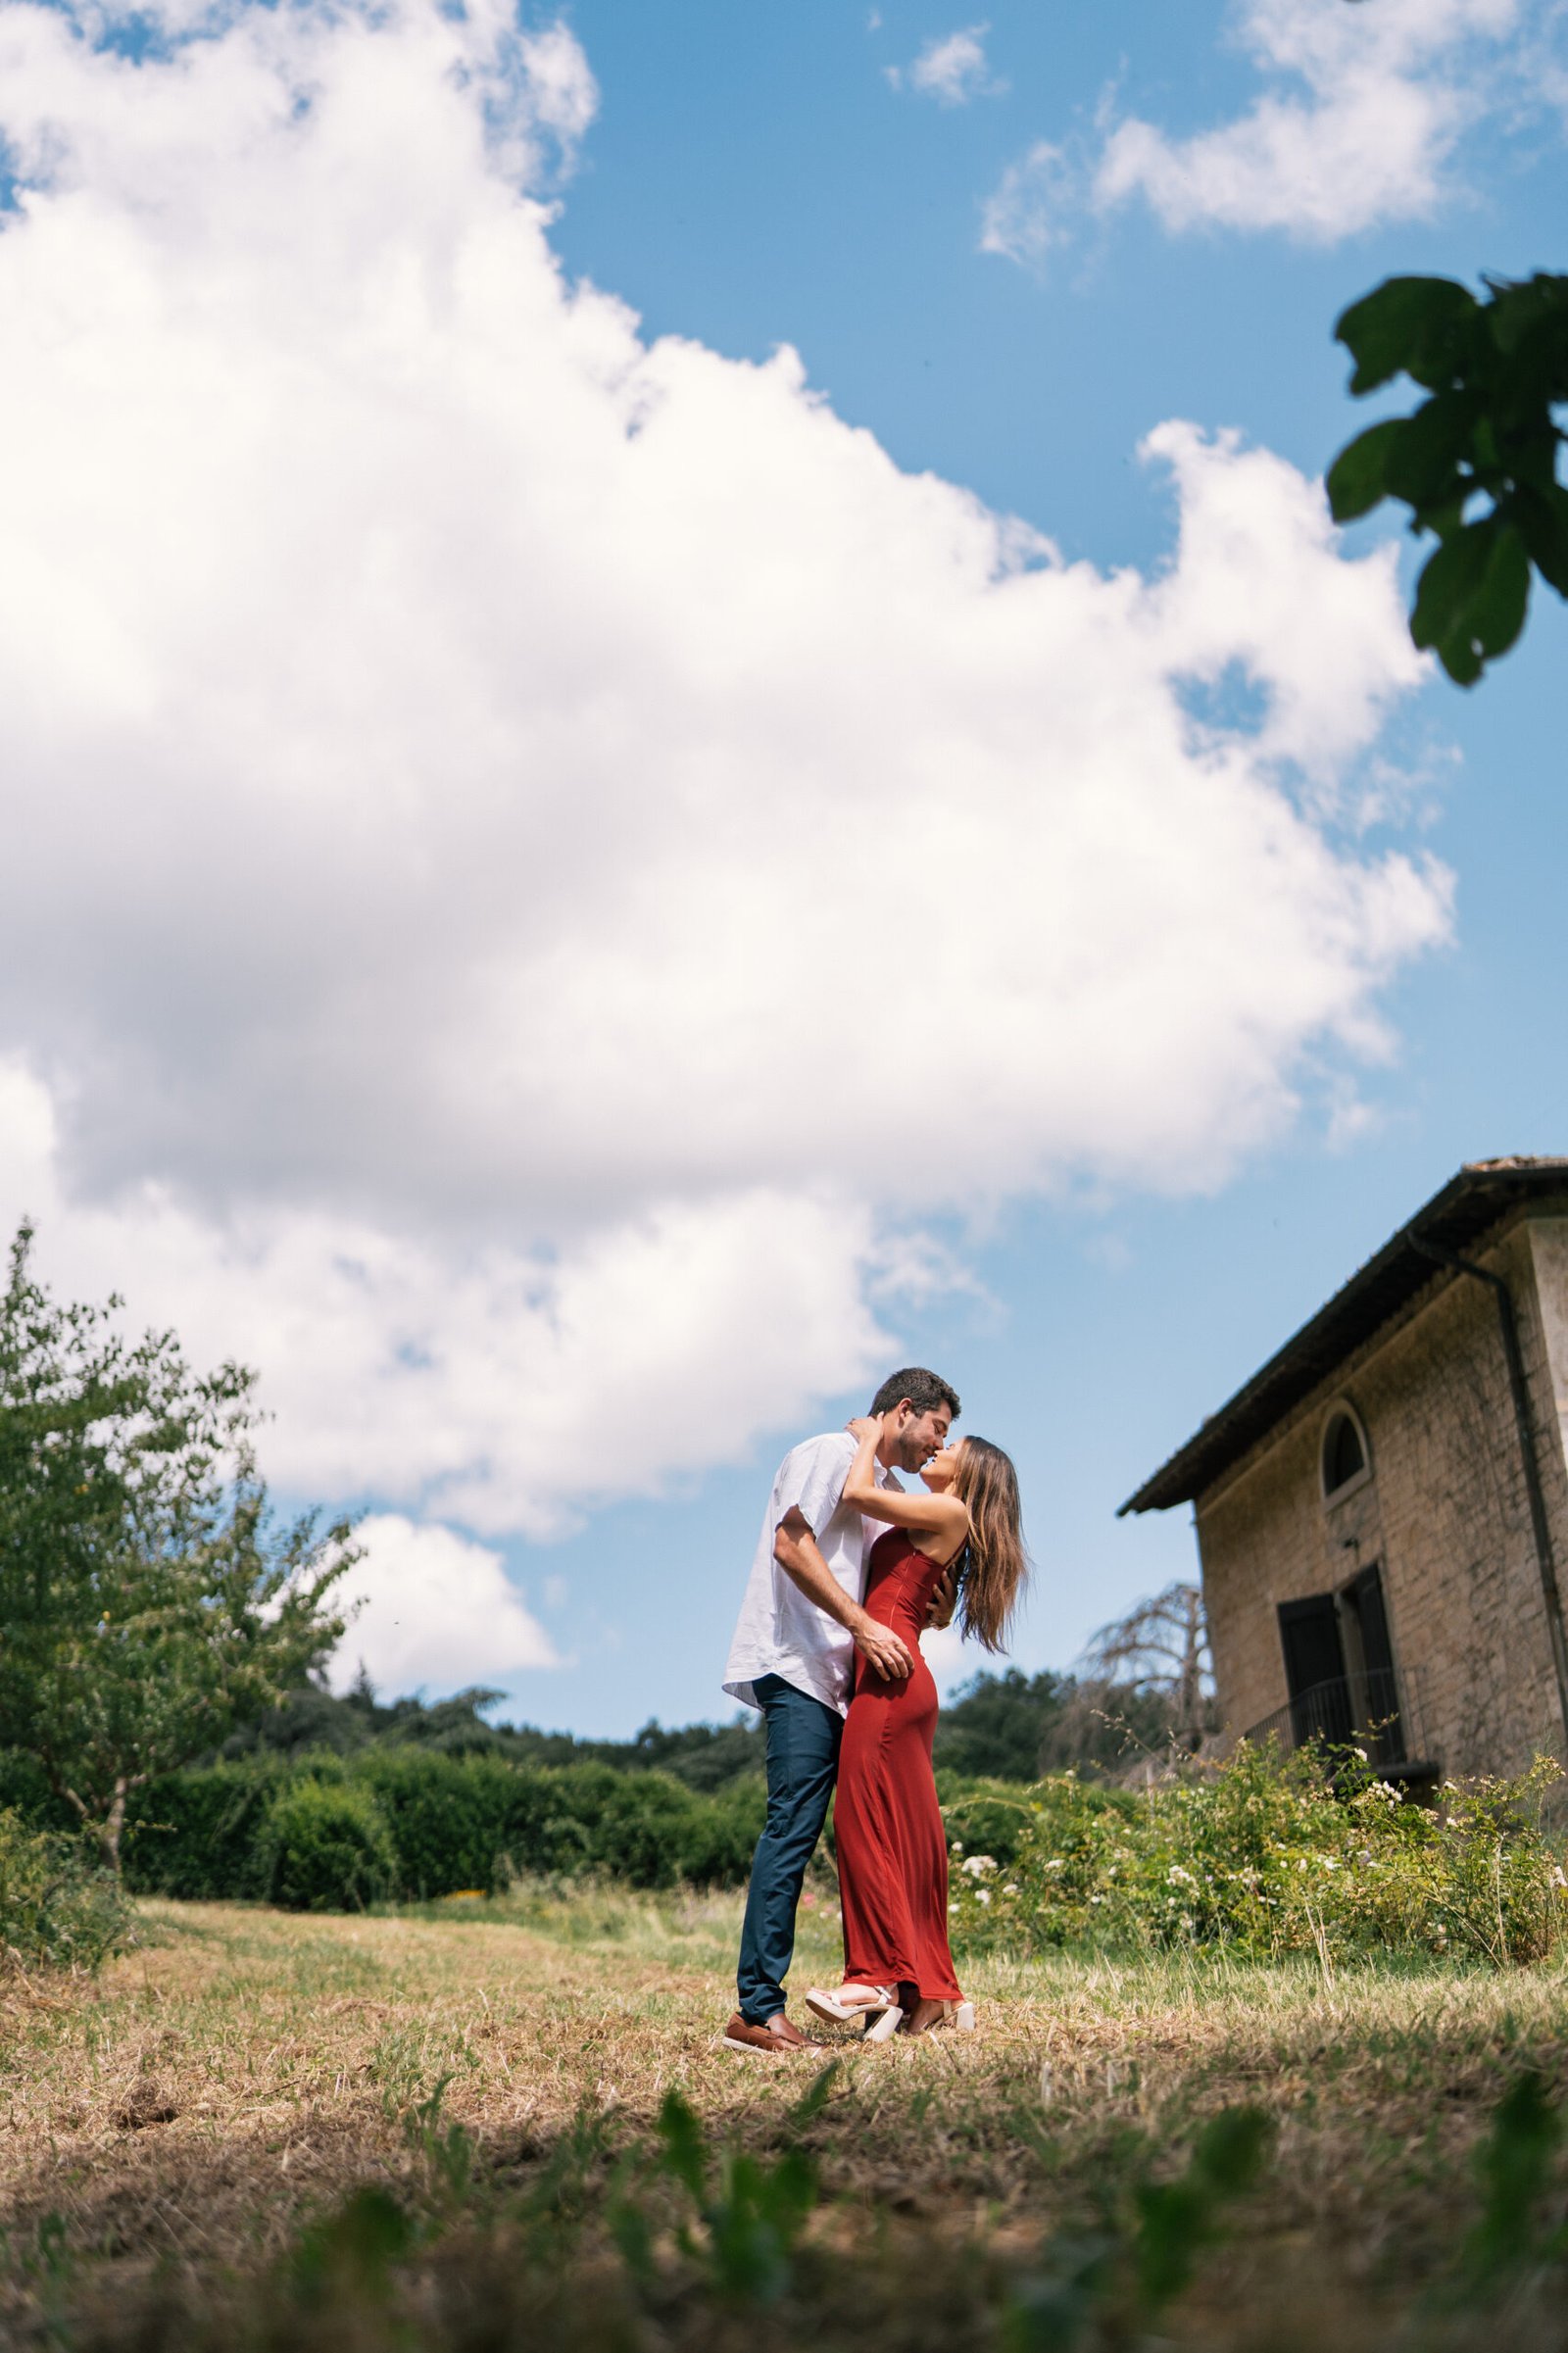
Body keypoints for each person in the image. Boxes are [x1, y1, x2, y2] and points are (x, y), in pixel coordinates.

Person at [720, 1369, 961, 2057]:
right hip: (799, 1667)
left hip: (840, 1682)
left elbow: (904, 1580)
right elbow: (792, 1544)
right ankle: (757, 2011)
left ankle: (900, 1984)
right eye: (936, 1427)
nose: (936, 1444)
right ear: (905, 1410)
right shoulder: (827, 1452)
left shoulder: (882, 1487)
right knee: (792, 1825)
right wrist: (861, 1625)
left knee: (854, 1833)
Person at [803, 1414, 1028, 2040]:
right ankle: (927, 1991)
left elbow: (854, 1495)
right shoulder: (936, 1515)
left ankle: (875, 1977)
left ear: (971, 1473)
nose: (941, 1446)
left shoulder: (948, 1513)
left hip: (891, 1680)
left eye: (952, 1444)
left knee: (861, 1822)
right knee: (902, 1834)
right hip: (894, 1675)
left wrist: (870, 1438)